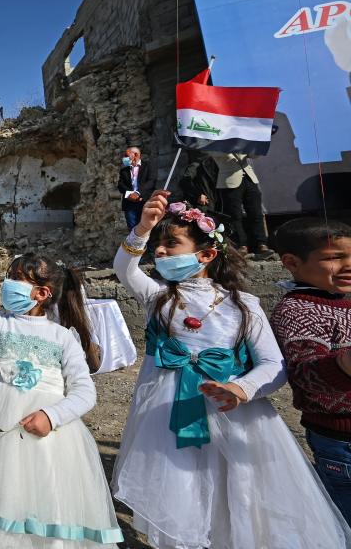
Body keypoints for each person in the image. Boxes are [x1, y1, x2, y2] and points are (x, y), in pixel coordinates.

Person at [112, 192, 351, 548]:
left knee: (239, 492)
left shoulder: (244, 305)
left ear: (206, 254)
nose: (159, 252)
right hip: (169, 414)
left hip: (235, 414)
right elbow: (124, 269)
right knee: (182, 486)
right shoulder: (157, 297)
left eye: (171, 244)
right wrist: (142, 229)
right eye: (156, 247)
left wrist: (242, 388)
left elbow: (273, 364)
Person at [0, 235, 122, 548]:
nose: (6, 284)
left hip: (46, 437)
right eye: (7, 277)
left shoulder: (63, 338)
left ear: (42, 293)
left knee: (42, 504)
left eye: (15, 279)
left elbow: (85, 393)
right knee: (0, 499)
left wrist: (51, 416)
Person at [271, 217, 351, 523]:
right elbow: (307, 376)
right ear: (292, 262)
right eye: (334, 257)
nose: (348, 264)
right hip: (341, 443)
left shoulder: (344, 303)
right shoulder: (297, 310)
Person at [212, 153, 274, 259]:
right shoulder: (217, 139)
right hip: (229, 180)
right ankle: (241, 245)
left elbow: (253, 155)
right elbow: (217, 153)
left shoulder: (240, 138)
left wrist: (251, 148)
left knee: (256, 212)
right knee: (234, 215)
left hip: (249, 178)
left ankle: (261, 244)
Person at [116, 146, 156, 230]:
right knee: (133, 230)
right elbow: (120, 185)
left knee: (148, 229)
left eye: (126, 155)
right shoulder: (124, 171)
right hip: (129, 204)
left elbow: (151, 182)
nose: (124, 158)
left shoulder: (148, 166)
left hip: (145, 201)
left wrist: (138, 193)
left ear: (136, 155)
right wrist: (130, 194)